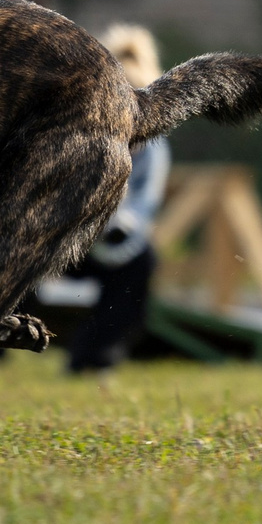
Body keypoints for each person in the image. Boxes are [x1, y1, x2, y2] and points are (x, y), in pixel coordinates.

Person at [63, 23, 170, 373]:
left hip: (110, 241)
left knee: (141, 264)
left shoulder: (152, 149)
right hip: (62, 234)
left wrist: (118, 224)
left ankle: (95, 357)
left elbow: (143, 206)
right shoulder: (76, 134)